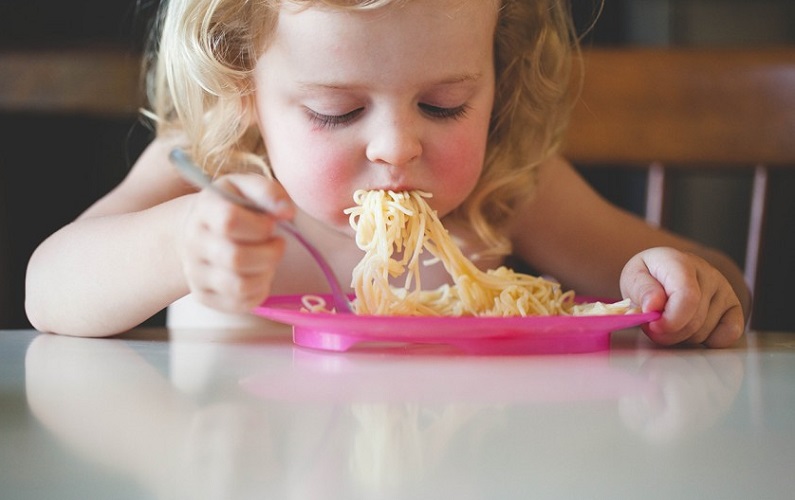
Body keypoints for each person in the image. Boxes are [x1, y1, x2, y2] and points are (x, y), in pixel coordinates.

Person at [25, 0, 750, 346]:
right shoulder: (215, 171)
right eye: (337, 111)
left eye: (443, 105)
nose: (397, 147)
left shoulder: (507, 183)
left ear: (496, 79)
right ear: (246, 89)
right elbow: (47, 292)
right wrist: (179, 243)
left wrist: (677, 285)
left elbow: (720, 284)